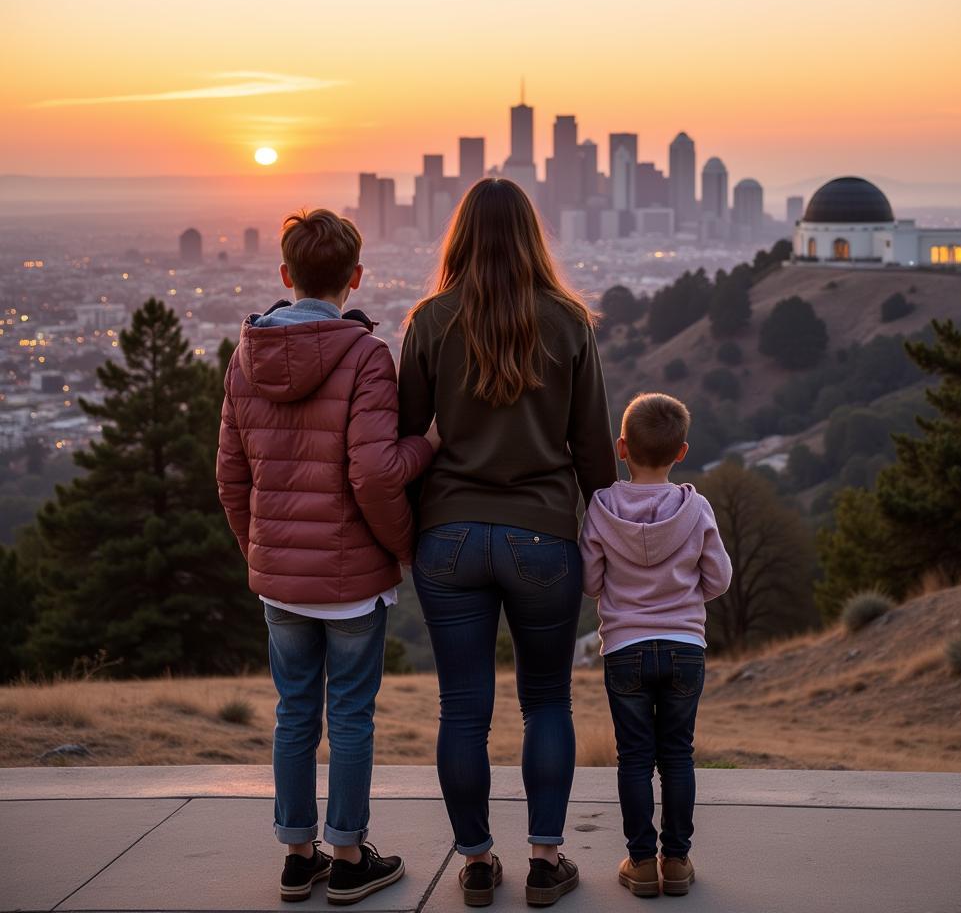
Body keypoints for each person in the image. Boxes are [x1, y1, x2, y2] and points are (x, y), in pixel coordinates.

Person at [399, 178, 617, 907]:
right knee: (547, 700)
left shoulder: (430, 321)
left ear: (459, 237)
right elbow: (593, 449)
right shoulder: (568, 322)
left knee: (461, 708)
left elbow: (405, 441)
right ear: (533, 236)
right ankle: (547, 861)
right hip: (542, 535)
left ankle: (477, 862)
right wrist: (606, 534)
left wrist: (409, 531)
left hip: (450, 536)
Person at [217, 208, 439, 905]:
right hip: (349, 582)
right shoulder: (366, 354)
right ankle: (347, 857)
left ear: (286, 275)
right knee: (349, 716)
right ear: (356, 277)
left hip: (280, 580)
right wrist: (426, 452)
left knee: (293, 714)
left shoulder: (244, 354)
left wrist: (263, 552)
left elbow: (230, 476)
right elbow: (374, 473)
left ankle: (297, 854)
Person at [580, 393, 732, 898]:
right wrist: (687, 596)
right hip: (685, 645)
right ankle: (679, 862)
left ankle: (642, 863)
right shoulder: (696, 507)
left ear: (622, 447)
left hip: (625, 646)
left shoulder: (602, 507)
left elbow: (590, 581)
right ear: (681, 451)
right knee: (678, 757)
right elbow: (720, 578)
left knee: (634, 760)